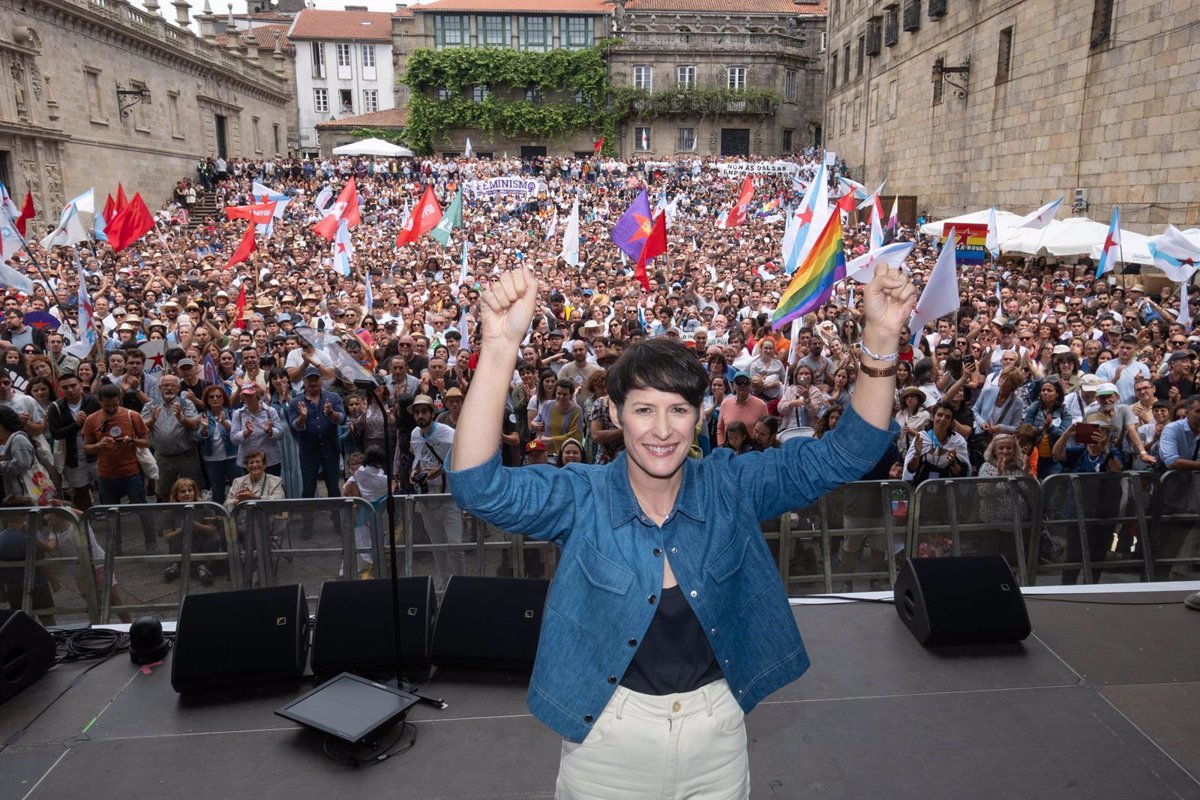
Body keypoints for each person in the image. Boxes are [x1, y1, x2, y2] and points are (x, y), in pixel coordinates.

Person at [447, 263, 914, 799]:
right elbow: (477, 487)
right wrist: (500, 346)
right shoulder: (582, 498)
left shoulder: (732, 487)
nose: (663, 430)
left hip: (715, 740)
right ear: (616, 414)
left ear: (699, 416)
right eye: (643, 410)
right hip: (605, 743)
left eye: (678, 410)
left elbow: (849, 452)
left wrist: (881, 336)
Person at [409, 393, 464, 583]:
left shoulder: (449, 434)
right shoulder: (415, 435)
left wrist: (440, 472)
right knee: (437, 544)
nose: (420, 416)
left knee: (455, 544)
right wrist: (414, 474)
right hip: (427, 496)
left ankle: (460, 581)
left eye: (424, 411)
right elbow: (417, 459)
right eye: (416, 413)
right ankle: (443, 579)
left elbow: (463, 460)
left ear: (432, 413)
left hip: (449, 495)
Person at [161, 478, 225, 585]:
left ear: (195, 492)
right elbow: (166, 537)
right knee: (175, 541)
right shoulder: (170, 511)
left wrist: (197, 526)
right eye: (183, 491)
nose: (187, 494)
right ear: (176, 495)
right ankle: (178, 566)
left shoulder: (204, 507)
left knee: (212, 542)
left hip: (202, 543)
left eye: (190, 490)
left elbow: (213, 530)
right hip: (181, 543)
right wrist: (180, 531)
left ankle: (203, 568)